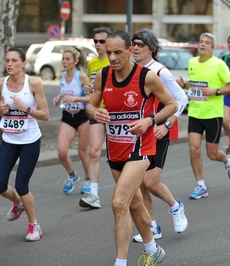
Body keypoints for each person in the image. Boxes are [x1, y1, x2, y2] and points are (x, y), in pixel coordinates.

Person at [86, 30, 177, 266]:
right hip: (115, 150)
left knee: (119, 203)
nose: (113, 57)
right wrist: (95, 112)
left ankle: (120, 262)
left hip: (141, 149)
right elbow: (90, 106)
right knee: (135, 203)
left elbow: (172, 105)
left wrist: (150, 120)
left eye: (118, 52)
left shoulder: (146, 77)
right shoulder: (102, 75)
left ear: (129, 51)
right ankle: (153, 249)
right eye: (108, 53)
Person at [130, 28, 189, 243]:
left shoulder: (160, 71)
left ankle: (176, 207)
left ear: (151, 49)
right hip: (139, 132)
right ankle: (153, 226)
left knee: (151, 182)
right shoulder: (132, 69)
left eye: (140, 44)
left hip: (158, 130)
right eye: (134, 44)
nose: (135, 48)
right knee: (139, 183)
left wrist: (166, 124)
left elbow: (182, 99)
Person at [0, 47, 49, 241]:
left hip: (30, 140)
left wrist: (26, 108)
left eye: (14, 60)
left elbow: (46, 115)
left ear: (24, 64)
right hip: (9, 139)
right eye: (7, 60)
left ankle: (34, 225)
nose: (9, 64)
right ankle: (18, 204)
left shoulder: (33, 83)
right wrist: (1, 110)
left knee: (21, 184)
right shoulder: (0, 83)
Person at [176, 33, 230, 200]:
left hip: (213, 114)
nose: (202, 44)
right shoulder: (192, 62)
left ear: (212, 48)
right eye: (201, 42)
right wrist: (185, 84)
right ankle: (201, 185)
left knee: (212, 154)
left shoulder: (219, 65)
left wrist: (215, 91)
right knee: (193, 149)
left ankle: (227, 161)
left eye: (207, 43)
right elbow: (196, 83)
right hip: (195, 112)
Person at [79, 26, 111, 208]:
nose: (98, 45)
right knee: (94, 151)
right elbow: (93, 89)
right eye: (95, 41)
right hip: (98, 111)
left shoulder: (116, 61)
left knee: (119, 156)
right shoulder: (92, 64)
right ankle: (94, 194)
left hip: (116, 113)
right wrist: (88, 90)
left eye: (102, 41)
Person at [53, 47, 91, 194]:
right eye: (63, 58)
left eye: (67, 59)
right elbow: (65, 92)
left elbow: (91, 97)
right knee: (61, 152)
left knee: (82, 152)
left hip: (82, 116)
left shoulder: (81, 76)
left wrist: (76, 98)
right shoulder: (62, 77)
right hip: (68, 116)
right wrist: (59, 97)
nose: (64, 61)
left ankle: (88, 179)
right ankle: (72, 175)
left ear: (75, 61)